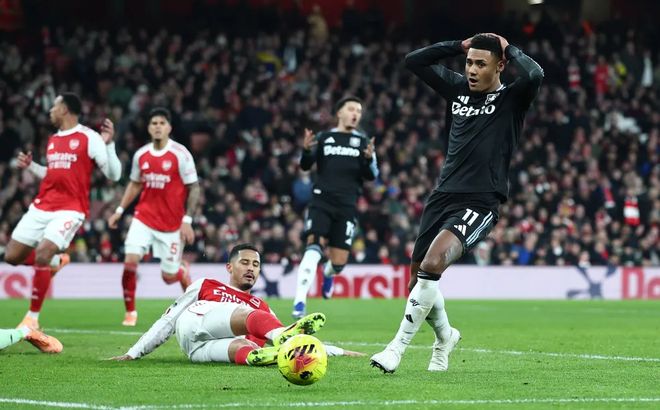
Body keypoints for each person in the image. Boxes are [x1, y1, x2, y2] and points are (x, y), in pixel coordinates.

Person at [370, 33, 543, 373]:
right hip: (442, 195)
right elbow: (414, 61)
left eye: (481, 64)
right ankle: (446, 337)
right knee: (417, 282)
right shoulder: (458, 89)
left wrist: (509, 47)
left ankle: (395, 350)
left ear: (500, 66)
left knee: (432, 263)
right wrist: (456, 46)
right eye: (469, 63)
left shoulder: (512, 98)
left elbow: (535, 74)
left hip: (481, 200)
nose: (472, 70)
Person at [110, 244, 363, 365]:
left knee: (247, 347)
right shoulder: (206, 285)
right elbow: (169, 319)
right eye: (245, 262)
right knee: (251, 316)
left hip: (200, 352)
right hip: (194, 323)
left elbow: (294, 341)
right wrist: (134, 352)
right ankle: (278, 337)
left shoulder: (262, 307)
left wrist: (337, 351)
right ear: (229, 267)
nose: (251, 268)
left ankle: (268, 356)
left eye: (256, 265)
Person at [4, 93, 122, 330]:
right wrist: (32, 166)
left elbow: (114, 174)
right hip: (42, 205)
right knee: (12, 257)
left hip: (70, 209)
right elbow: (53, 175)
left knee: (42, 253)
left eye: (54, 106)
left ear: (65, 109)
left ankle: (32, 319)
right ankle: (56, 261)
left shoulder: (89, 137)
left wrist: (109, 145)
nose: (50, 111)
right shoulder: (53, 140)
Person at [108, 107, 200, 327]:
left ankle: (181, 271)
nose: (158, 127)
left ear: (169, 127)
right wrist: (119, 210)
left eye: (161, 123)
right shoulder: (141, 155)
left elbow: (194, 187)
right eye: (154, 123)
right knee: (130, 261)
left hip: (172, 225)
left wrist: (187, 221)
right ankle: (130, 313)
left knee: (168, 277)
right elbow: (135, 184)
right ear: (149, 128)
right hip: (144, 218)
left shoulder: (181, 154)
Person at [292, 96, 378, 318]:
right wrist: (306, 151)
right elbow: (305, 165)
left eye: (358, 111)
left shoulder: (364, 142)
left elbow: (372, 176)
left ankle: (328, 273)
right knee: (313, 246)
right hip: (321, 201)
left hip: (347, 205)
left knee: (339, 263)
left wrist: (369, 160)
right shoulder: (324, 138)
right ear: (339, 112)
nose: (355, 114)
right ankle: (299, 302)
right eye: (351, 109)